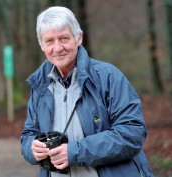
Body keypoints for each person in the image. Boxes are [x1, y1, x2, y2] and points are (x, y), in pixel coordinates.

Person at [21, 6, 154, 177]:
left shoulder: (108, 77)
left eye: (64, 38)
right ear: (42, 46)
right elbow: (28, 135)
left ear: (78, 38)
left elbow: (132, 133)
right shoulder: (39, 86)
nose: (57, 47)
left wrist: (74, 152)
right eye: (49, 41)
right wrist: (31, 148)